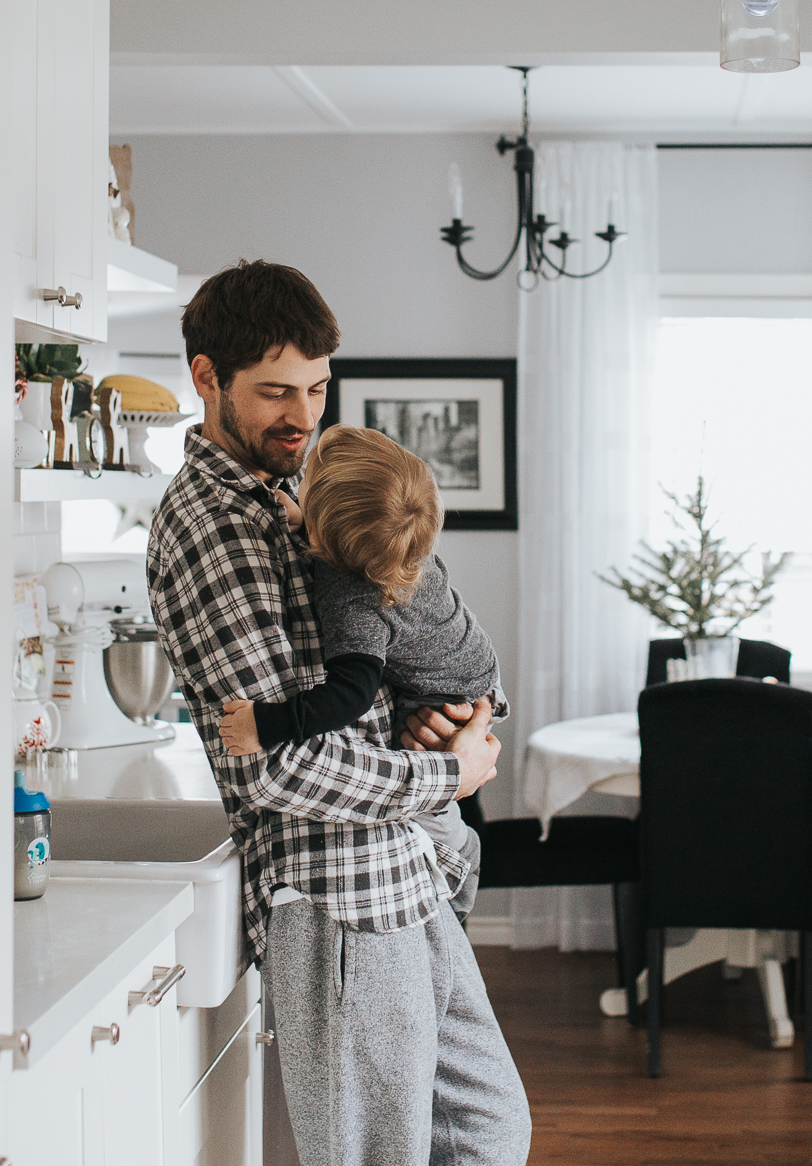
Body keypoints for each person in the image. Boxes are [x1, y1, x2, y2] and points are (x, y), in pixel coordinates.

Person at [147, 259, 531, 1166]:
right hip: (338, 902)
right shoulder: (212, 527)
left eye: (317, 388)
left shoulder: (296, 496)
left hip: (408, 875)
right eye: (276, 392)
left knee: (490, 1131)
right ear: (205, 378)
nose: (305, 416)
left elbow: (405, 628)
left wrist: (444, 719)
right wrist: (453, 770)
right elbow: (273, 765)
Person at [218, 423, 509, 922]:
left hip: (446, 698)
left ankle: (458, 883)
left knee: (433, 818)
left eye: (306, 479)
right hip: (470, 667)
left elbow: (348, 696)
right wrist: (305, 513)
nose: (298, 481)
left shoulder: (355, 600)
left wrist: (265, 724)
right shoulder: (400, 544)